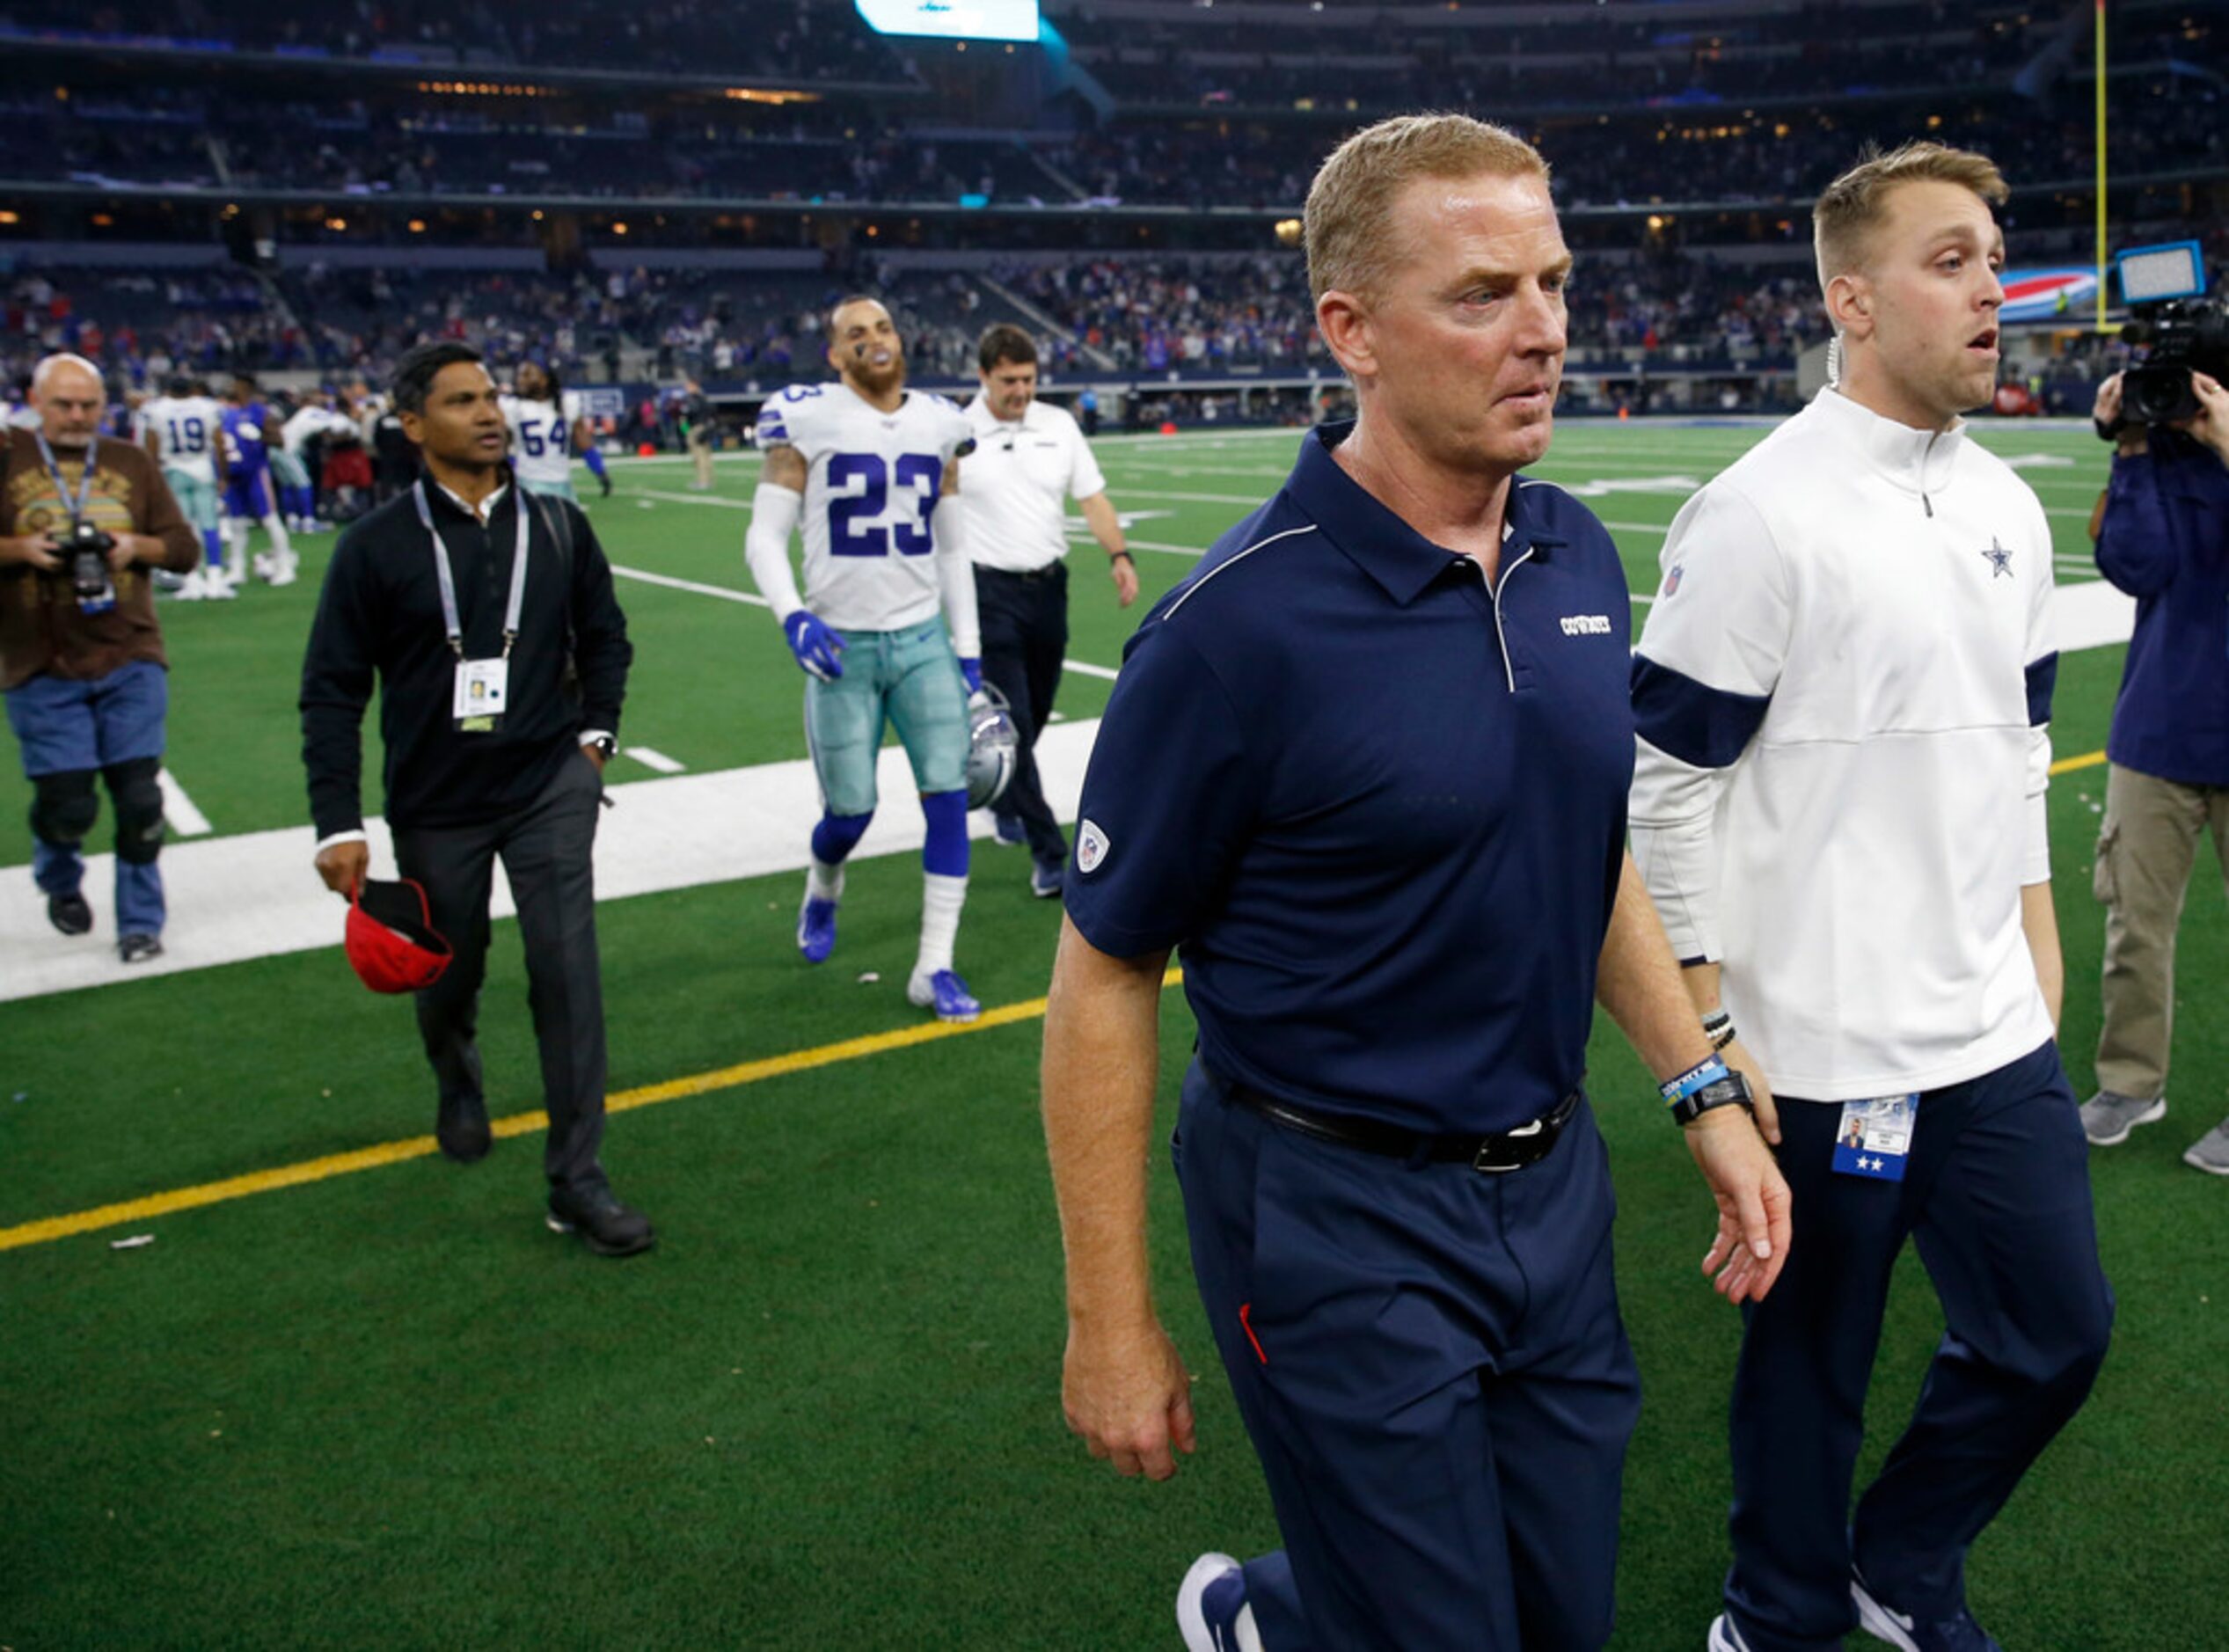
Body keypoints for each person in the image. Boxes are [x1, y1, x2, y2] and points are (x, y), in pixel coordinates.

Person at [1041, 115, 1790, 1652]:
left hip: (1552, 1187)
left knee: (1554, 1610)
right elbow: (1103, 970)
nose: (1542, 332)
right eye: (1479, 294)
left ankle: (1279, 1612)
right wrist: (1107, 1320)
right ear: (1350, 331)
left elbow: (1579, 854)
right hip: (1330, 1204)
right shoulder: (1229, 634)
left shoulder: (1574, 552)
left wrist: (1694, 1084)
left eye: (1554, 282)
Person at [1626, 142, 2115, 1652]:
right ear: (1849, 296)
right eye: (1948, 259)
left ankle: (1894, 1563)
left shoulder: (2008, 507)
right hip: (1814, 1052)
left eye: (1992, 255)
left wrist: (2032, 949)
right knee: (1808, 1366)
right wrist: (1705, 1026)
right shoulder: (1757, 512)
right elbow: (1658, 787)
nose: (1991, 290)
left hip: (1986, 1029)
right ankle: (1772, 1614)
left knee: (2052, 1332)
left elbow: (2013, 744)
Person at [300, 341, 653, 1258]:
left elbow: (606, 638)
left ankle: (576, 1178)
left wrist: (596, 739)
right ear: (412, 425)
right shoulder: (373, 546)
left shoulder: (559, 523)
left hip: (547, 785)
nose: (489, 412)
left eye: (492, 395)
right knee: (449, 970)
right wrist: (337, 821)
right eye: (462, 400)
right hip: (435, 803)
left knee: (566, 972)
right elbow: (332, 689)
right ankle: (457, 1075)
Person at [743, 296, 988, 1023]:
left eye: (882, 328)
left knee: (948, 800)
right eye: (856, 334)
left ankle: (933, 966)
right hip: (842, 644)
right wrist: (793, 617)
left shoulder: (941, 423)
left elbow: (951, 547)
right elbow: (764, 538)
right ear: (835, 354)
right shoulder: (805, 416)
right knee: (848, 813)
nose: (874, 341)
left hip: (921, 643)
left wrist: (967, 652)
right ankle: (824, 886)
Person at [2078, 367, 2229, 1175]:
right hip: (2161, 722)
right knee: (2134, 922)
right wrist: (2132, 447)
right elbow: (2135, 568)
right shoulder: (2160, 458)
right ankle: (2131, 1081)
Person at [0, 352, 199, 963]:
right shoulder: (7, 456)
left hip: (129, 652)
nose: (77, 416)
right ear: (37, 403)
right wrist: (20, 550)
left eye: (89, 404)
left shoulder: (130, 460)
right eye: (63, 404)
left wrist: (133, 546)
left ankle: (140, 922)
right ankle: (58, 875)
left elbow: (184, 549)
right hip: (38, 661)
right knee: (68, 804)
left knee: (140, 801)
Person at [961, 323, 1137, 897]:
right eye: (1009, 380)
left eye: (1029, 379)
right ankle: (1050, 854)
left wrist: (1120, 555)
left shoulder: (1057, 425)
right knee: (1012, 722)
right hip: (987, 593)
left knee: (1031, 719)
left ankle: (1005, 794)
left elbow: (1092, 497)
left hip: (1047, 590)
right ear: (984, 375)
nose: (1020, 390)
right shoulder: (957, 433)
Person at [137, 372, 230, 601]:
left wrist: (153, 479)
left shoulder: (156, 409)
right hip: (202, 469)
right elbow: (220, 444)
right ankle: (215, 579)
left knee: (184, 527)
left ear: (169, 390)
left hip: (173, 471)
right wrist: (223, 475)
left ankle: (192, 580)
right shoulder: (207, 407)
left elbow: (151, 448)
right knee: (210, 525)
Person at [220, 375, 296, 586]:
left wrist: (259, 436)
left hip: (256, 474)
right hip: (235, 476)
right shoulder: (227, 413)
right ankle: (237, 568)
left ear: (246, 387)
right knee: (236, 524)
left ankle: (285, 566)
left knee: (270, 519)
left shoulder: (260, 412)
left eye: (235, 383)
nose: (231, 387)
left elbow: (280, 441)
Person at [502, 362, 595, 507]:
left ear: (545, 379)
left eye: (527, 375)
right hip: (528, 480)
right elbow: (502, 446)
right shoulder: (513, 406)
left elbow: (581, 436)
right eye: (519, 375)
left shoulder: (566, 402)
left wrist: (598, 467)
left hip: (563, 481)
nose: (520, 380)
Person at [681, 377, 714, 491]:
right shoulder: (704, 398)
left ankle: (703, 481)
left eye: (688, 386)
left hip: (695, 428)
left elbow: (684, 418)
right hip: (705, 427)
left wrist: (686, 432)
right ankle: (706, 480)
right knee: (705, 456)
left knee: (699, 457)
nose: (687, 388)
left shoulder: (690, 399)